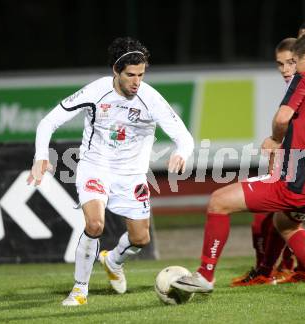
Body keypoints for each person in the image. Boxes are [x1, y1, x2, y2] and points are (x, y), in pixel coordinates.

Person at [172, 32, 305, 298]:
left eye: (293, 62)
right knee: (287, 225)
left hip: (293, 181)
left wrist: (275, 139)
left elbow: (282, 118)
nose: (290, 69)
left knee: (217, 202)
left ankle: (205, 276)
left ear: (304, 59)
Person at [27, 37, 194, 306]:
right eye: (130, 75)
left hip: (133, 175)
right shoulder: (96, 91)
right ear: (116, 71)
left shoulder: (151, 98)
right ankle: (80, 290)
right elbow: (48, 122)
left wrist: (181, 152)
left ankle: (113, 261)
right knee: (95, 224)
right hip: (96, 167)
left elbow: (185, 138)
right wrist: (41, 157)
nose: (137, 82)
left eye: (141, 74)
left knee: (140, 238)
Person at [231, 38, 305, 287]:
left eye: (290, 62)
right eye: (280, 64)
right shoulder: (294, 88)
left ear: (302, 61)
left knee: (269, 220)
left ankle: (269, 271)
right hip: (295, 166)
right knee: (282, 221)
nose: (285, 69)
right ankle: (291, 269)